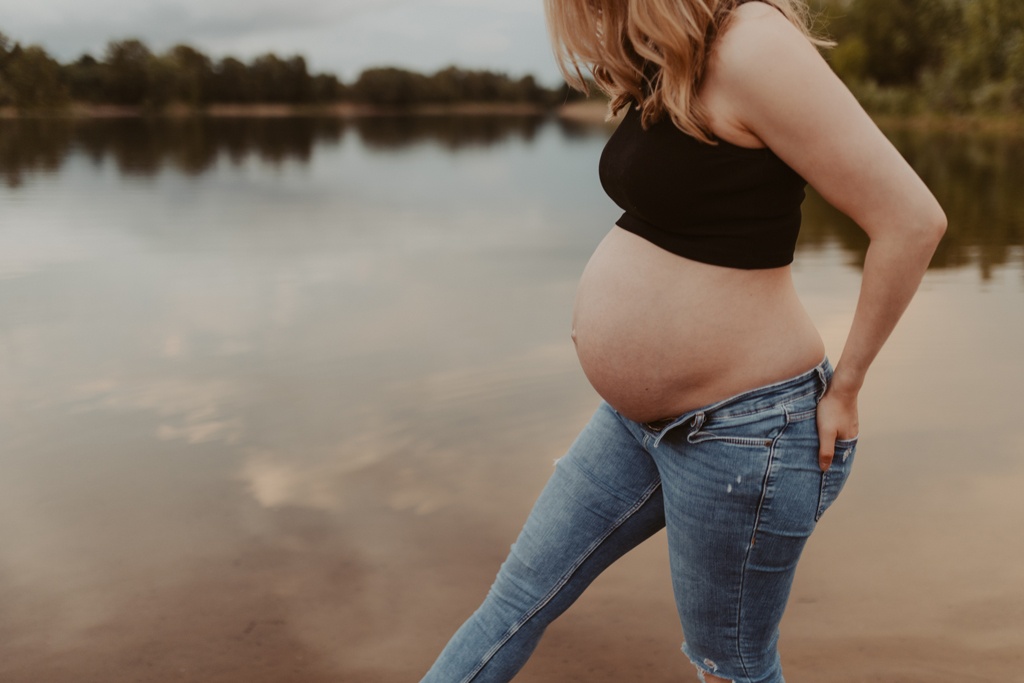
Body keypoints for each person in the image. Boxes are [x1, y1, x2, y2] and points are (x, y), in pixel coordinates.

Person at [421, 0, 946, 681]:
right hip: (635, 424)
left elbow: (911, 220)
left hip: (745, 431)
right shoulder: (674, 59)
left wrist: (847, 386)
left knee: (732, 668)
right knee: (516, 599)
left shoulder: (754, 44)